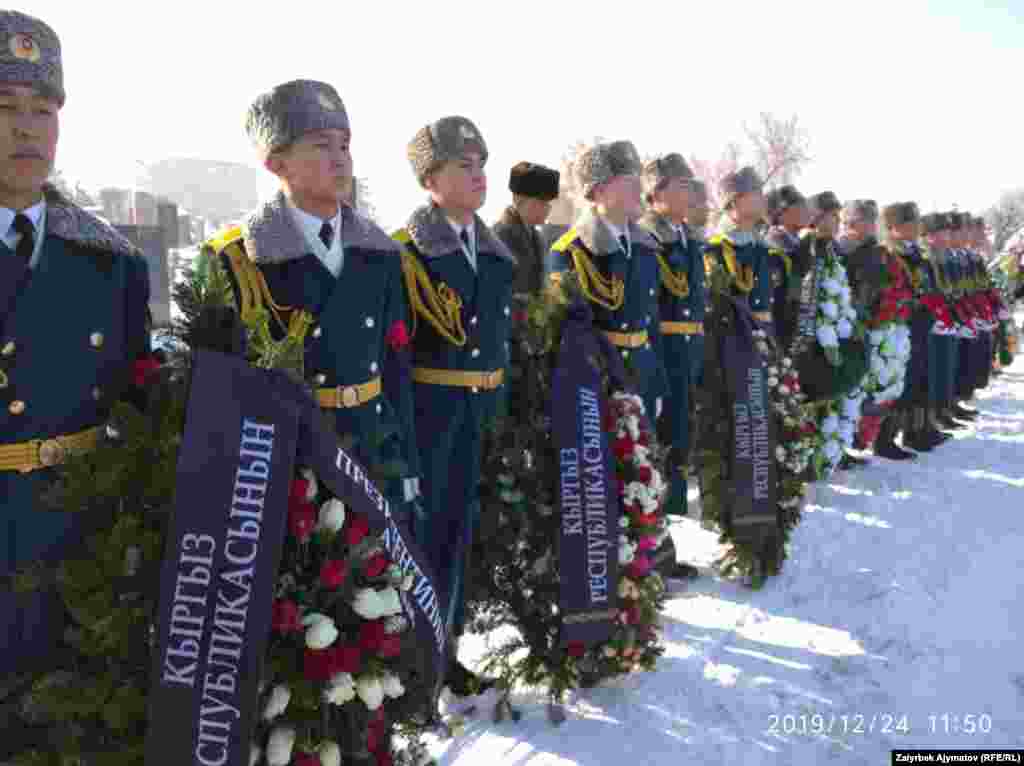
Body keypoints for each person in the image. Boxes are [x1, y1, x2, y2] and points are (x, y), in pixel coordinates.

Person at [0, 6, 152, 707]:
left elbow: (138, 407)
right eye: (5, 107)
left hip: (76, 540)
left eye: (43, 110)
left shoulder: (110, 263)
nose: (26, 127)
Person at [202, 79, 420, 517]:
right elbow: (218, 390)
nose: (340, 158)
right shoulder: (238, 259)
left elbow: (395, 368)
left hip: (373, 452)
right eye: (322, 145)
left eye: (345, 145)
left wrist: (407, 462)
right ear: (276, 161)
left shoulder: (381, 253)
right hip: (289, 462)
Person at [394, 116, 515, 695]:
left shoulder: (496, 256)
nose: (478, 175)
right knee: (429, 541)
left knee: (466, 539)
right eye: (462, 166)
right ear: (429, 179)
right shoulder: (404, 253)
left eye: (481, 165)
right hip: (431, 418)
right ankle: (417, 663)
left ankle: (449, 650)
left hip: (480, 416)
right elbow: (394, 357)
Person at [546, 140, 668, 420]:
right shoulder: (571, 250)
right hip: (599, 382)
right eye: (628, 180)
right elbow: (566, 335)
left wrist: (657, 382)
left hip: (644, 375)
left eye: (637, 179)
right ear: (598, 190)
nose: (638, 188)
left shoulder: (646, 246)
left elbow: (651, 322)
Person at [638, 153, 704, 579]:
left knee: (677, 445)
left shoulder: (686, 236)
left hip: (688, 354)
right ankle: (653, 554)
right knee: (655, 452)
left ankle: (663, 544)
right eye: (681, 184)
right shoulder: (648, 237)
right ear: (657, 192)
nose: (690, 192)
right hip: (663, 356)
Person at [839, 200, 916, 460]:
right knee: (849, 391)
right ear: (851, 223)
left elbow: (891, 286)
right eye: (867, 220)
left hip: (876, 328)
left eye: (873, 220)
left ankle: (864, 439)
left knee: (878, 387)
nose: (873, 225)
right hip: (849, 328)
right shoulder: (840, 250)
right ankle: (844, 444)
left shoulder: (879, 253)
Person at [492, 161, 560, 303]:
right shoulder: (500, 236)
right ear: (518, 200)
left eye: (549, 203)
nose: (547, 208)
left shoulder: (536, 236)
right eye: (541, 202)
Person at [765, 185, 812, 343]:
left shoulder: (798, 244)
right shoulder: (775, 247)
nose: (806, 210)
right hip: (782, 333)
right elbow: (788, 297)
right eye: (800, 205)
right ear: (782, 213)